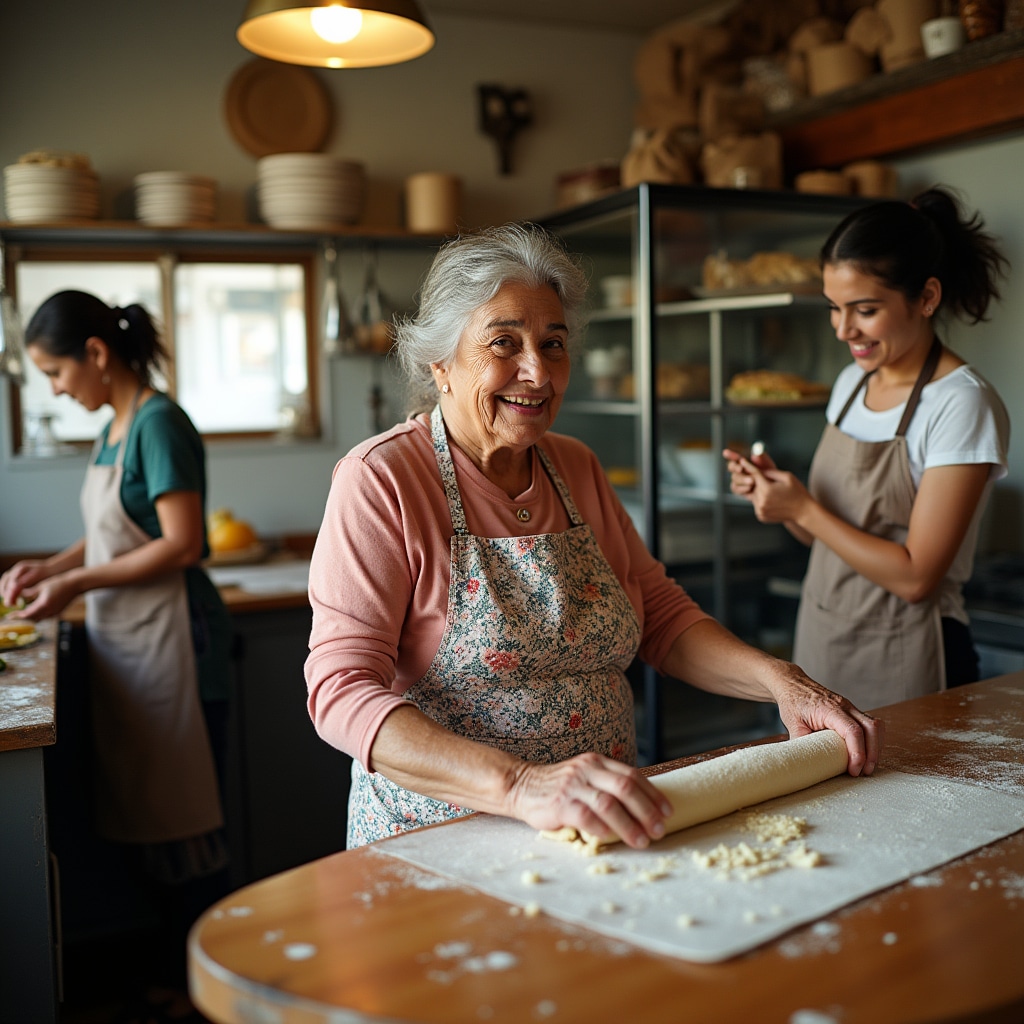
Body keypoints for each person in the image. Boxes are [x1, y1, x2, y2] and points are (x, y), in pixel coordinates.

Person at [305, 223, 883, 852]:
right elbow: (342, 691)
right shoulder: (382, 479)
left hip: (596, 830)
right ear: (440, 363)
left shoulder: (575, 465)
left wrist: (782, 682)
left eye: (553, 344)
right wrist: (523, 785)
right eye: (504, 343)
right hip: (441, 838)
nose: (537, 371)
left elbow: (661, 616)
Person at [0, 289, 232, 997]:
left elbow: (183, 543)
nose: (56, 388)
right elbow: (113, 526)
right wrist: (59, 566)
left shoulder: (158, 424)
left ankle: (209, 989)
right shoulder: (113, 426)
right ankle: (177, 984)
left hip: (177, 647)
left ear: (95, 354)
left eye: (56, 372)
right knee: (152, 823)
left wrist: (78, 585)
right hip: (132, 641)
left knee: (186, 830)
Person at [724, 187, 1010, 711]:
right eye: (835, 308)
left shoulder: (961, 404)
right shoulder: (851, 384)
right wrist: (779, 500)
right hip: (824, 643)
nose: (843, 329)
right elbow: (826, 540)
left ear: (926, 297)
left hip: (910, 655)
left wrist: (804, 507)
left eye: (865, 309)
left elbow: (916, 577)